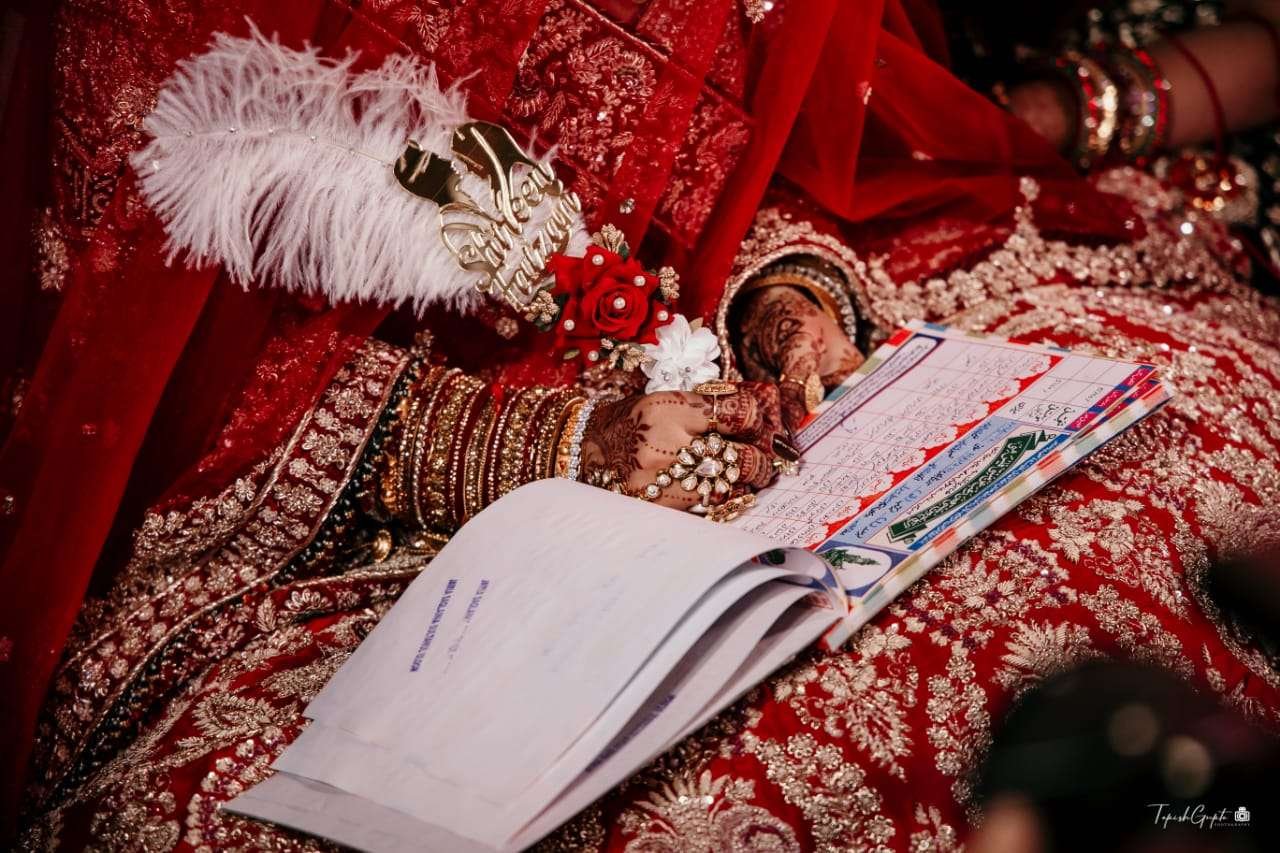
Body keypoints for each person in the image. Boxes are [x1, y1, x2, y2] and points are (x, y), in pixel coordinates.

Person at [1, 0, 1278, 849]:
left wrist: (783, 300)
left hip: (732, 411)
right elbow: (151, 357)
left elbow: (775, 158)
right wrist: (555, 444)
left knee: (1176, 471)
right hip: (371, 535)